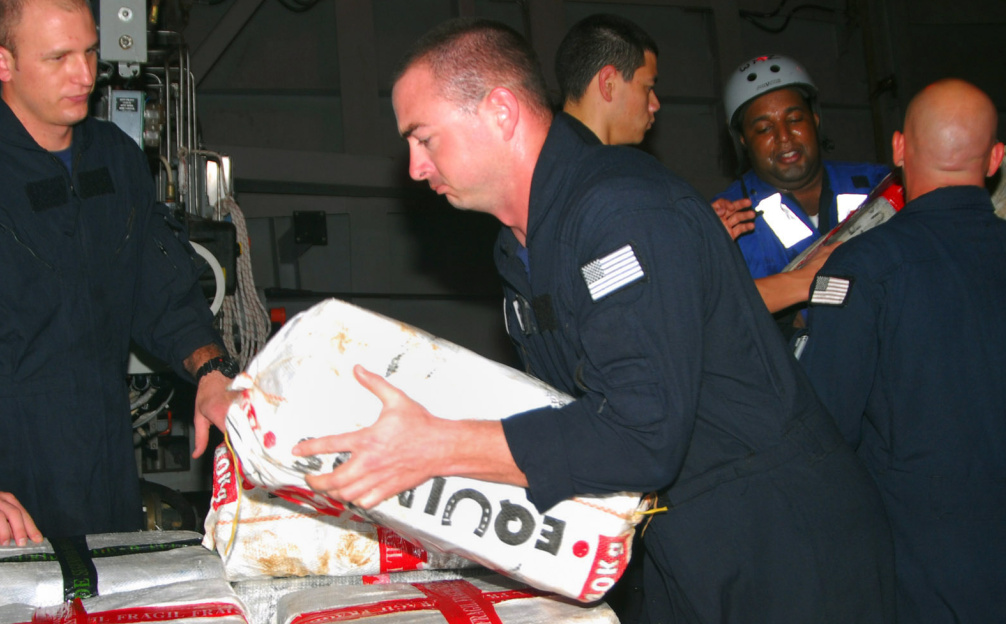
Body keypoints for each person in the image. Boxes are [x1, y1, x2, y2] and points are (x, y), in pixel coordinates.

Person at [294, 19, 893, 622]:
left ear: (500, 111)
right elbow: (569, 412)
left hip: (780, 543)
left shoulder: (618, 210)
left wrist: (438, 447)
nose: (415, 168)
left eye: (424, 138)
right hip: (681, 538)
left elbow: (640, 432)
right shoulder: (520, 246)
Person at [0, 0, 238, 546]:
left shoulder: (117, 160)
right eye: (58, 58)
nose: (84, 76)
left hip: (106, 466)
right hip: (2, 489)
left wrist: (210, 370)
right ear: (2, 62)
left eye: (89, 53)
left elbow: (162, 289)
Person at [799, 79, 1006, 623]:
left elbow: (823, 428)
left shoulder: (864, 267)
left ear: (899, 148)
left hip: (922, 570)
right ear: (995, 159)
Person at [712, 55, 890, 328]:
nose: (784, 137)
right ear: (744, 140)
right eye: (764, 128)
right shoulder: (722, 224)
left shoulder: (880, 184)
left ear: (815, 119)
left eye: (794, 119)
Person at [555, 14, 659, 146]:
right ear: (608, 84)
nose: (655, 105)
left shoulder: (543, 160)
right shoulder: (631, 165)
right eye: (648, 88)